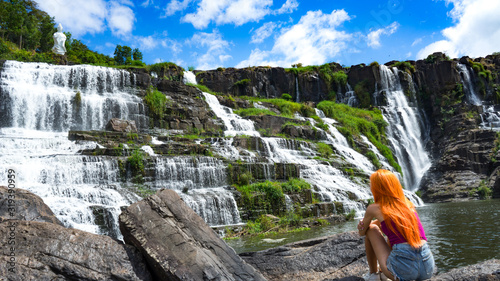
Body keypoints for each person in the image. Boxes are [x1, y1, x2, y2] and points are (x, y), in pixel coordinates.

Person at [358, 169, 435, 281]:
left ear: (377, 188)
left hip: (404, 272)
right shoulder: (408, 204)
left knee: (371, 229)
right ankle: (385, 272)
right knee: (393, 233)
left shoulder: (374, 208)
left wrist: (363, 224)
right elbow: (389, 223)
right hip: (427, 268)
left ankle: (373, 274)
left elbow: (362, 232)